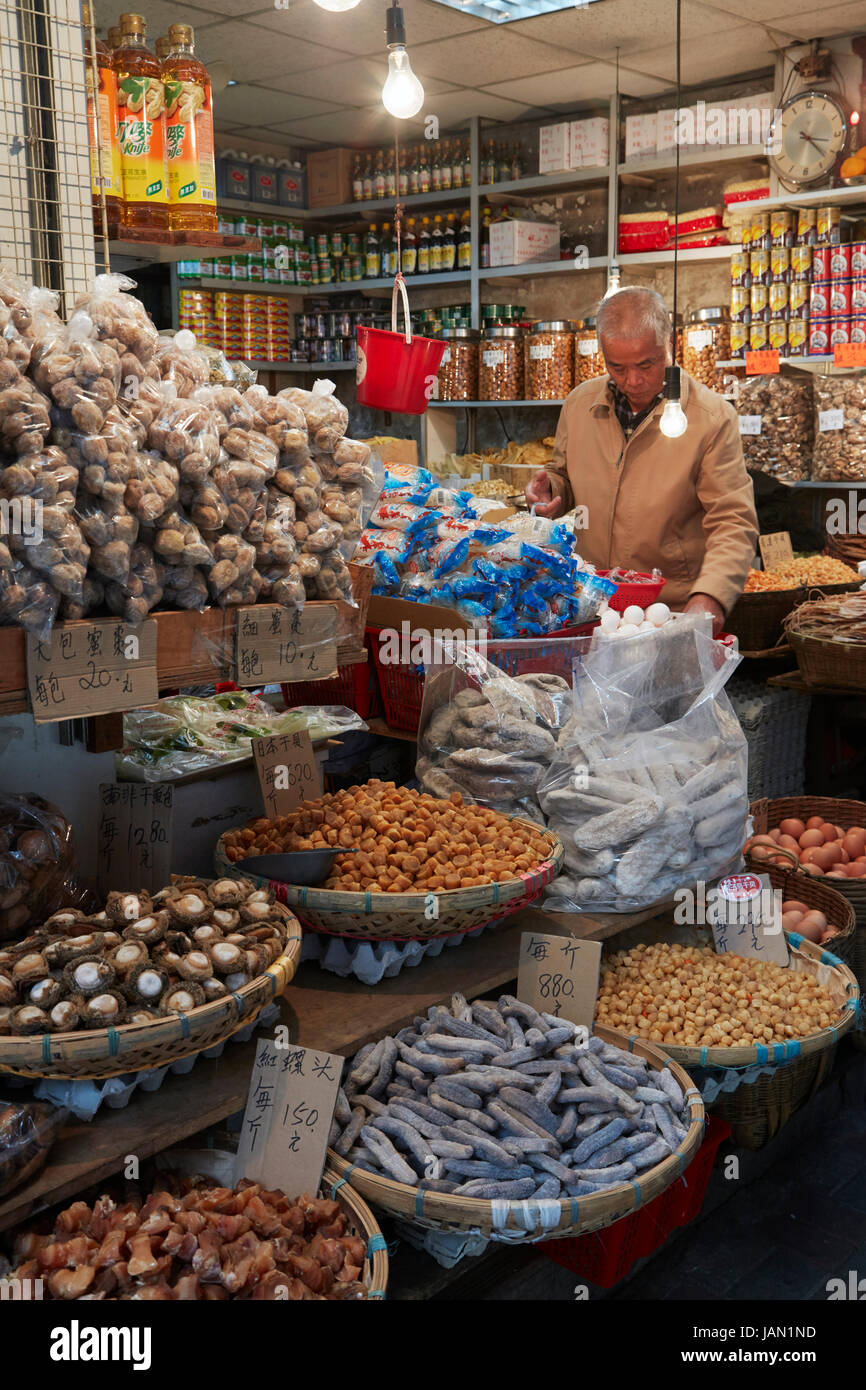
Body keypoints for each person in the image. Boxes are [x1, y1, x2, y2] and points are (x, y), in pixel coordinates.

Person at [525, 286, 758, 632]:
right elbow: (565, 475)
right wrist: (551, 491)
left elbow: (733, 521)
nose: (633, 381)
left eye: (647, 364)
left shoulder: (710, 417)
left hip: (669, 613)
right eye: (617, 367)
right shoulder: (579, 405)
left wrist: (711, 595)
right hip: (590, 605)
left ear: (669, 343)